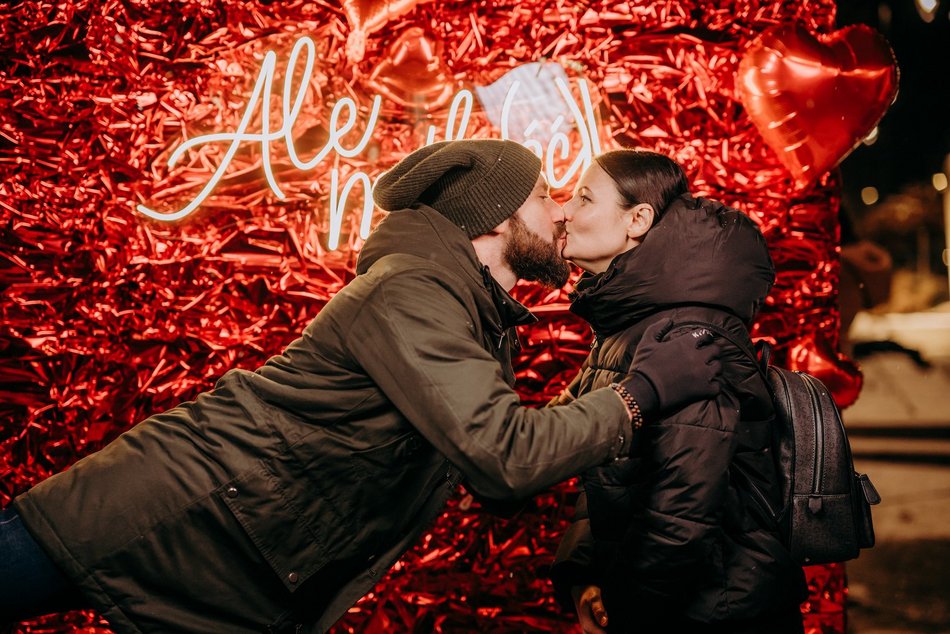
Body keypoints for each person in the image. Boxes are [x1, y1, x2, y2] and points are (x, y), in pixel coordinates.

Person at [0, 139, 724, 634]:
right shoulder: (413, 294)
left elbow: (499, 477)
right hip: (164, 510)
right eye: (544, 196)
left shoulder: (471, 313)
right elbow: (507, 453)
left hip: (236, 550)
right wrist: (640, 395)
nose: (562, 211)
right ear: (496, 218)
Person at [548, 149, 808, 633]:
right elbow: (613, 468)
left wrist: (629, 611)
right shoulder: (634, 325)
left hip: (720, 613)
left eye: (584, 197)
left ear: (638, 220)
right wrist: (587, 576)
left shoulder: (685, 332)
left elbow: (681, 513)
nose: (564, 211)